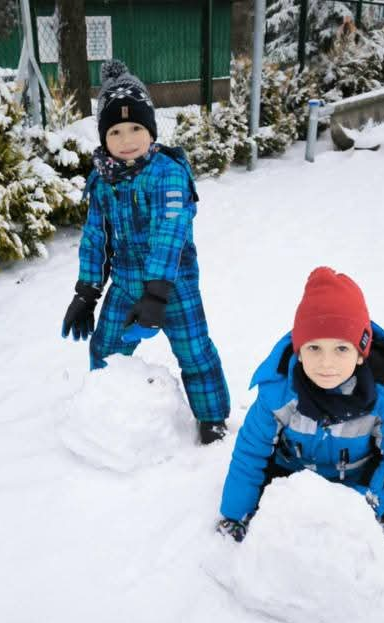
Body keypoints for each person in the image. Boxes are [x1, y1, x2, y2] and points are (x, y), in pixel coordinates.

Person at [61, 60, 230, 445]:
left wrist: (157, 295)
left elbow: (169, 232)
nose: (127, 139)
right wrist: (86, 293)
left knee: (194, 351)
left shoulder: (168, 172)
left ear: (151, 129)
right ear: (103, 137)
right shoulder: (102, 179)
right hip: (125, 283)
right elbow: (96, 238)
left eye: (136, 128)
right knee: (105, 348)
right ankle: (108, 411)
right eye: (116, 131)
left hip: (173, 283)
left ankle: (212, 418)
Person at [216, 266, 384, 541]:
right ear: (299, 352)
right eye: (314, 348)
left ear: (361, 354)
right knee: (262, 502)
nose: (327, 363)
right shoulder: (279, 390)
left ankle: (370, 531)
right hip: (294, 473)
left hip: (356, 479)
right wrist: (234, 514)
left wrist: (358, 509)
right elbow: (250, 453)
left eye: (341, 349)